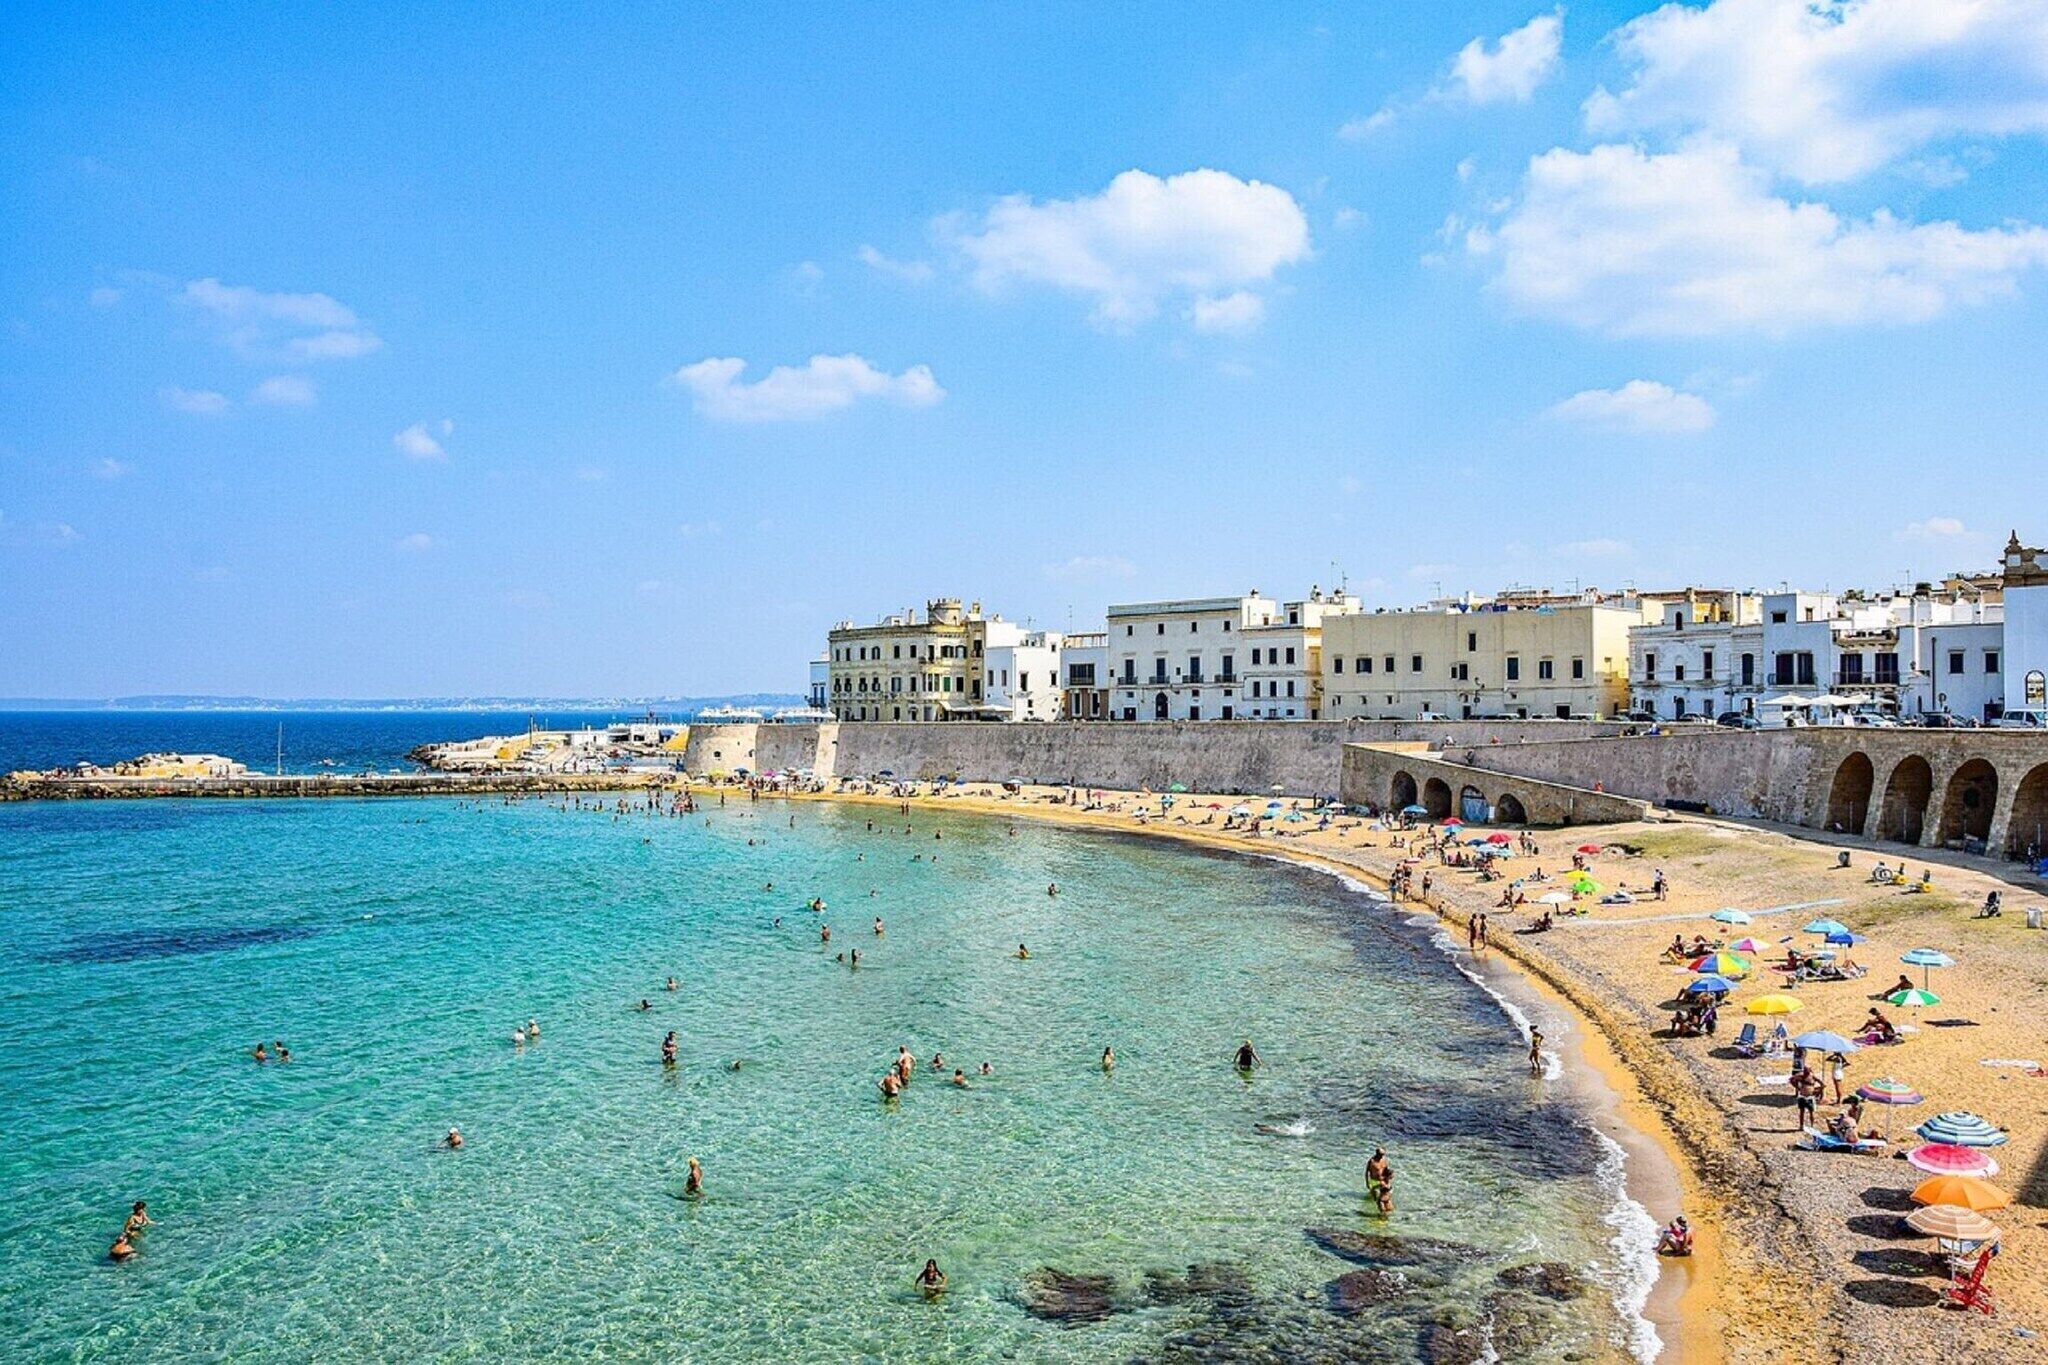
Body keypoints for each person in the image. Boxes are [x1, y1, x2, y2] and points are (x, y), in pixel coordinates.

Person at [1365, 1147, 1394, 1214]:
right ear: (1377, 1154)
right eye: (1381, 1154)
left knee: (1385, 1197)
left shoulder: (1384, 1160)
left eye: (1383, 1154)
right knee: (1377, 1199)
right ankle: (1380, 1212)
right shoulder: (1371, 1161)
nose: (1382, 1156)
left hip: (1383, 1181)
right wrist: (1367, 1183)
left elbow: (1386, 1170)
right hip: (1374, 1181)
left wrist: (1389, 1178)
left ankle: (1386, 1211)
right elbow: (1367, 1172)